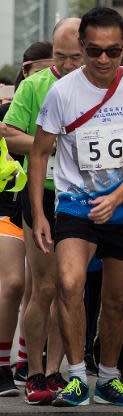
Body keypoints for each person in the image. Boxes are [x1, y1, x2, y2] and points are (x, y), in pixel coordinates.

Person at [28, 7, 123, 407]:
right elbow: (38, 154)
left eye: (113, 52)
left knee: (117, 299)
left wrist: (117, 198)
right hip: (76, 205)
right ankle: (76, 376)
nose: (103, 60)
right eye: (95, 51)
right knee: (69, 284)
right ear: (81, 46)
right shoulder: (62, 92)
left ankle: (108, 377)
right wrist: (37, 215)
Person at [2, 18, 83, 404]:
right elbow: (9, 134)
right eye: (61, 56)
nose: (68, 65)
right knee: (45, 286)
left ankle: (60, 371)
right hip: (44, 196)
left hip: (87, 196)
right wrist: (49, 144)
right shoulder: (36, 85)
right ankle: (34, 372)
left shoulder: (108, 84)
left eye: (76, 57)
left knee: (73, 288)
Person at [0, 92, 28, 397]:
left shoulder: (10, 117)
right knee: (12, 283)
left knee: (30, 286)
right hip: (5, 215)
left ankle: (24, 362)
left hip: (17, 210)